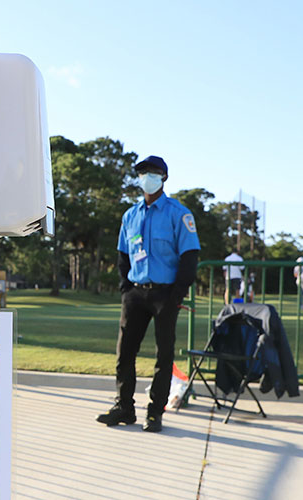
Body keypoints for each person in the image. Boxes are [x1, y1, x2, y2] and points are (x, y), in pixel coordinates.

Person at [96, 155, 200, 433]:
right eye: (143, 173)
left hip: (165, 294)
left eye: (153, 173)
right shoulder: (130, 216)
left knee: (163, 355)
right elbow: (123, 255)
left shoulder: (179, 214)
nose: (147, 177)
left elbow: (190, 256)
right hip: (136, 293)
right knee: (124, 353)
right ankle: (124, 407)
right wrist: (125, 288)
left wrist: (177, 293)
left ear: (164, 178)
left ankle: (155, 412)